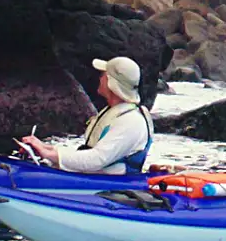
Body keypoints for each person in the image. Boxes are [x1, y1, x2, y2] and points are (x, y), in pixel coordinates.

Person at [16, 56, 155, 175]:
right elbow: (87, 151)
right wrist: (45, 149)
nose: (99, 78)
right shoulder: (113, 111)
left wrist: (51, 155)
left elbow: (96, 160)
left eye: (103, 75)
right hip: (94, 177)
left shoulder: (131, 122)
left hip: (110, 187)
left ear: (111, 83)